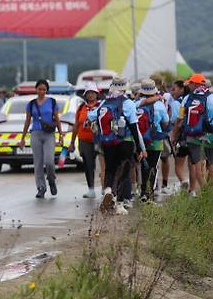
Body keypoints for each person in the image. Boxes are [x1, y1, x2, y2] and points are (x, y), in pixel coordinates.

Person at [89, 77, 147, 215]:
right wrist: (140, 148)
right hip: (125, 141)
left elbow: (91, 116)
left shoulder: (104, 102)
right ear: (124, 88)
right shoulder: (128, 103)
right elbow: (134, 127)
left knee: (110, 169)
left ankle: (108, 190)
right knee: (125, 171)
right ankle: (119, 204)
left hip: (107, 141)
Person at [18, 79, 65, 199]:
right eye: (40, 89)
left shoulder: (52, 102)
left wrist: (60, 134)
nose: (42, 91)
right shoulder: (31, 104)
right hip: (35, 135)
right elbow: (27, 121)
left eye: (44, 89)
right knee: (38, 163)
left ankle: (51, 180)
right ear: (36, 89)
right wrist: (22, 138)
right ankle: (41, 187)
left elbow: (57, 119)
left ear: (47, 90)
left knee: (49, 161)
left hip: (49, 135)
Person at [173, 73, 213, 196]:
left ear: (196, 84)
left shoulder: (187, 98)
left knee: (197, 165)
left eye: (190, 83)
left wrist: (174, 136)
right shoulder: (211, 97)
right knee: (211, 164)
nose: (188, 85)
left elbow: (179, 119)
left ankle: (205, 194)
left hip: (192, 135)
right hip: (210, 135)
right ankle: (209, 194)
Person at [135, 79, 170, 202]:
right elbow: (165, 124)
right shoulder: (159, 105)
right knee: (153, 166)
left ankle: (142, 191)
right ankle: (149, 193)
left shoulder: (137, 103)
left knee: (143, 166)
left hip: (140, 140)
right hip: (155, 140)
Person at [69, 82, 100, 198]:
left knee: (103, 164)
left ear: (97, 94)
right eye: (88, 93)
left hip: (99, 140)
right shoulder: (81, 108)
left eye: (93, 93)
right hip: (84, 140)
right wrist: (72, 142)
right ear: (85, 95)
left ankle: (105, 188)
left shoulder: (101, 106)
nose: (91, 95)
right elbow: (76, 125)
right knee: (88, 164)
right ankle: (91, 189)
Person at [169, 80, 189, 191]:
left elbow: (176, 121)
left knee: (178, 165)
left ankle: (183, 181)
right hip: (193, 136)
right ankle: (194, 189)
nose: (172, 92)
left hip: (181, 138)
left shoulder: (177, 103)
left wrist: (173, 137)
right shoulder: (190, 99)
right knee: (193, 164)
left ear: (182, 89)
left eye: (174, 89)